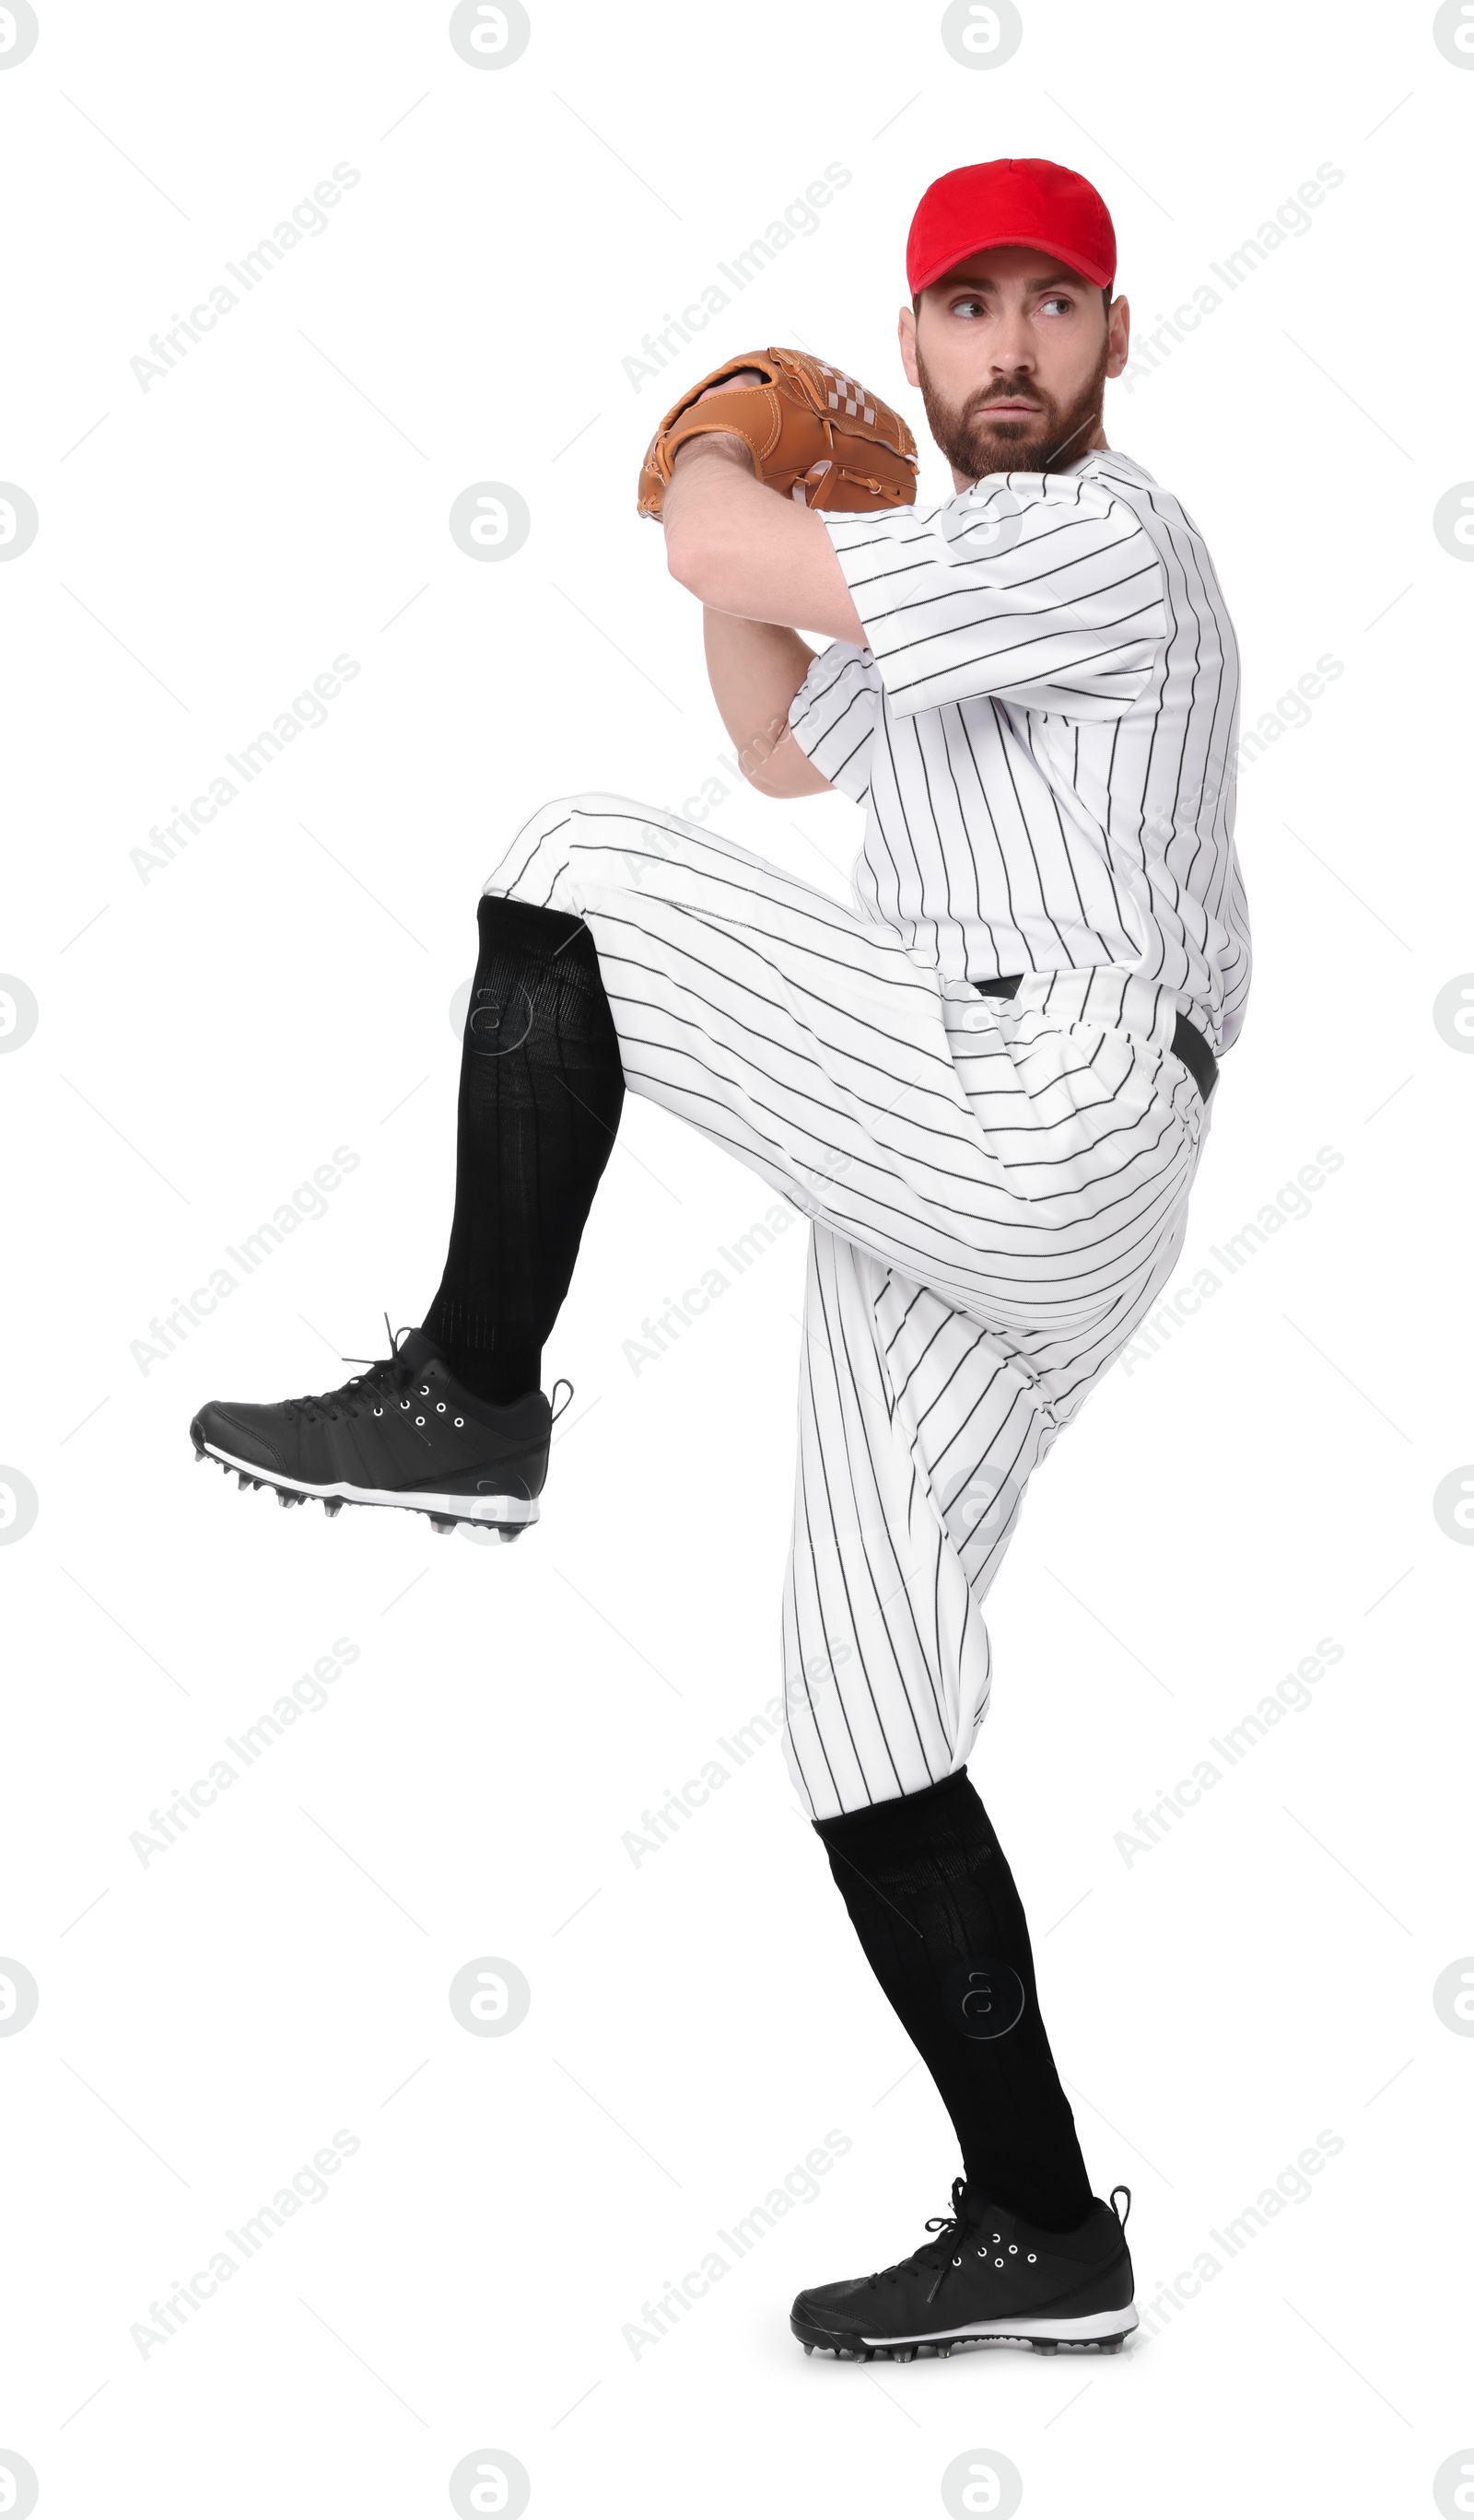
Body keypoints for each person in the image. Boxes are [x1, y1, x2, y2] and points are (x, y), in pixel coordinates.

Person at [191, 157, 1248, 2362]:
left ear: (1114, 343)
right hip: (948, 1156)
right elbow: (773, 729)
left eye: (1055, 304)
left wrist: (715, 450)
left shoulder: (1094, 534)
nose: (1011, 347)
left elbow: (710, 547)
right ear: (926, 339)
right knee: (863, 1703)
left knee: (571, 862)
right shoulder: (949, 580)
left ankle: (472, 1391)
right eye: (964, 309)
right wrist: (787, 505)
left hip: (1043, 1092)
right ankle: (1041, 2222)